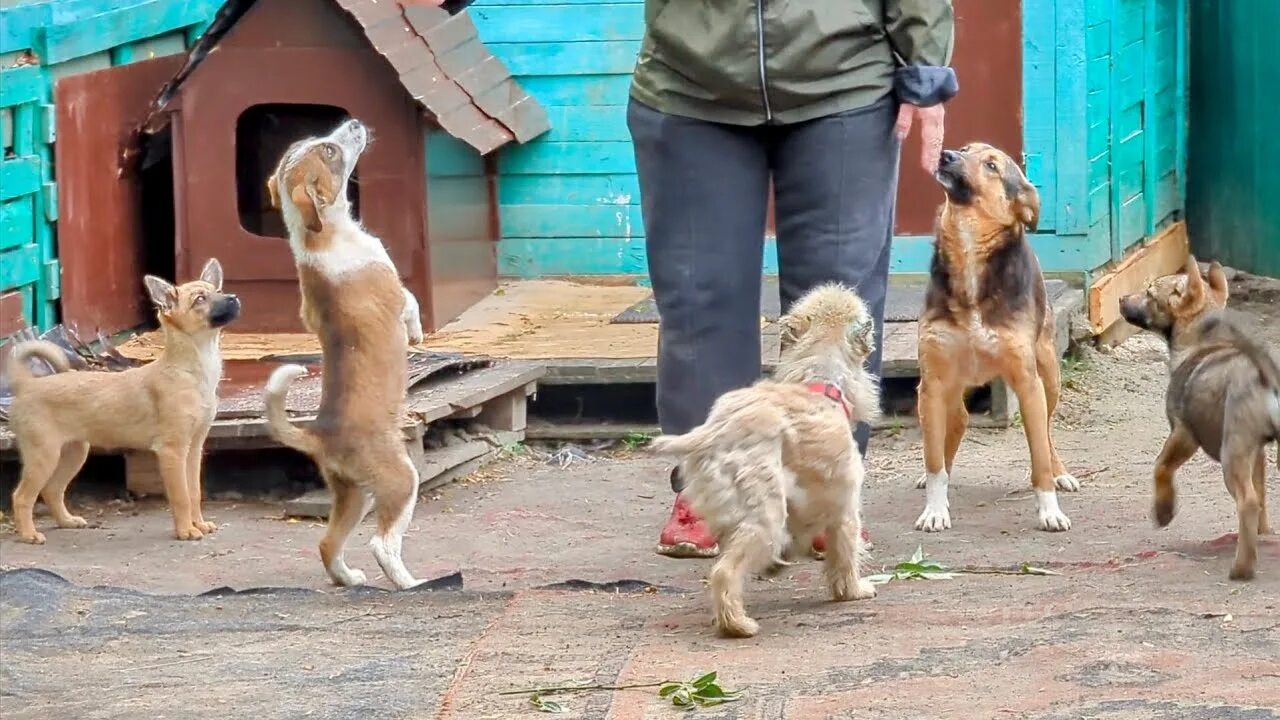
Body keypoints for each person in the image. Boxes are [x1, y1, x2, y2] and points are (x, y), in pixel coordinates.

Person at [627, 1, 959, 558]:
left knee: (837, 308)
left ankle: (822, 492)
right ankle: (715, 488)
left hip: (843, 81)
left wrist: (924, 63)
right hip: (691, 82)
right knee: (699, 298)